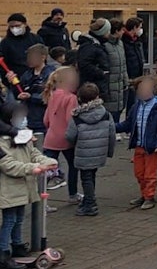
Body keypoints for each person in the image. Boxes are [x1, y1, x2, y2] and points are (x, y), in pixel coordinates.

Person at [0, 102, 57, 269]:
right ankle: (3, 253)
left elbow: (34, 154)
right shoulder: (3, 141)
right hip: (9, 188)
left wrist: (48, 162)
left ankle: (17, 245)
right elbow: (7, 165)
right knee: (9, 220)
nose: (23, 120)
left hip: (22, 187)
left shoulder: (23, 136)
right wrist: (33, 168)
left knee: (19, 218)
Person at [116, 76, 157, 210]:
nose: (144, 92)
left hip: (152, 147)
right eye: (141, 89)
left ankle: (149, 197)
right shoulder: (136, 107)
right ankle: (144, 194)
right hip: (139, 145)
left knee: (149, 174)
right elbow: (128, 124)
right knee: (139, 173)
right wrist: (112, 127)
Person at [64, 82, 116, 216]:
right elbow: (112, 133)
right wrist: (109, 151)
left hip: (83, 152)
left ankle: (90, 204)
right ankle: (89, 199)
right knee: (91, 175)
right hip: (99, 152)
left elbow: (70, 135)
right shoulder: (106, 114)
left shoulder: (77, 117)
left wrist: (75, 144)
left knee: (86, 177)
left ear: (79, 98)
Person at [42, 66, 79, 202]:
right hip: (66, 139)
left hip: (51, 138)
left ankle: (41, 202)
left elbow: (46, 120)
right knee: (73, 166)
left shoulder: (52, 95)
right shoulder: (71, 98)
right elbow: (70, 120)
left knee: (46, 171)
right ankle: (73, 194)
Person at [16, 44, 56, 135]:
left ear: (43, 57)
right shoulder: (27, 74)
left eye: (32, 56)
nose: (29, 59)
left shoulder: (51, 74)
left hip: (43, 119)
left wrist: (31, 97)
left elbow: (50, 97)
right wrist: (13, 83)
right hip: (28, 118)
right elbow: (19, 91)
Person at [1, 14, 43, 84]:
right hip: (14, 80)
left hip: (34, 79)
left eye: (17, 26)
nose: (14, 29)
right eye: (11, 26)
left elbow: (43, 57)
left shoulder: (35, 39)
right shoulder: (5, 42)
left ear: (25, 24)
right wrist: (6, 76)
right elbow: (2, 62)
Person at [76, 19, 111, 101]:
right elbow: (84, 64)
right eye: (108, 31)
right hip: (92, 89)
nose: (109, 33)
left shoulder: (97, 44)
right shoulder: (90, 46)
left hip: (98, 86)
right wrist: (101, 72)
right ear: (102, 32)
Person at [103, 19, 128, 121]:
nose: (123, 32)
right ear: (116, 31)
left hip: (120, 86)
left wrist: (125, 81)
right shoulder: (105, 45)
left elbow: (123, 65)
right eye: (122, 30)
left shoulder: (120, 44)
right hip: (110, 86)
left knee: (118, 112)